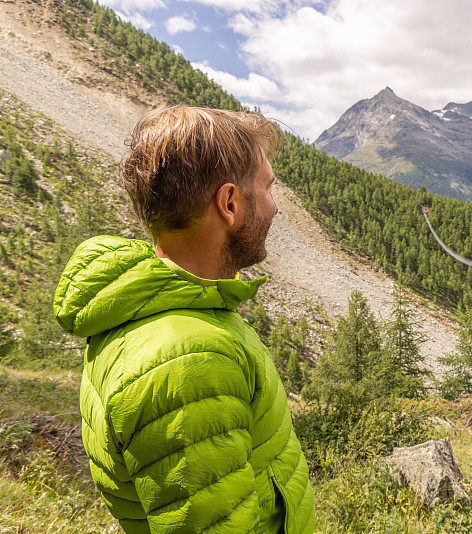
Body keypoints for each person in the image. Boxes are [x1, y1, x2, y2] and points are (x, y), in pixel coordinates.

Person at [53, 105, 315, 533]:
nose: (275, 207)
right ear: (229, 203)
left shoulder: (159, 309)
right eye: (267, 188)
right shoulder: (191, 361)